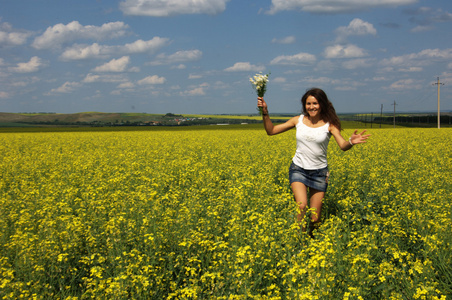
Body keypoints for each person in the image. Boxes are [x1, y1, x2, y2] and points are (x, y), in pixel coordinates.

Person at [257, 88, 370, 235]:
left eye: (315, 103)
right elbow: (271, 131)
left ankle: (313, 241)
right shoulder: (298, 120)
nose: (311, 107)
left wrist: (351, 141)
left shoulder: (330, 124)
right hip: (298, 169)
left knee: (315, 219)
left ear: (321, 104)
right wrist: (265, 112)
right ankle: (300, 243)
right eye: (308, 103)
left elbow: (343, 146)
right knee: (302, 206)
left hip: (319, 173)